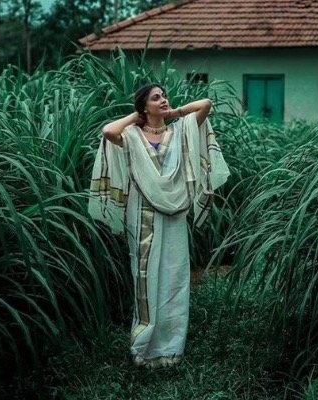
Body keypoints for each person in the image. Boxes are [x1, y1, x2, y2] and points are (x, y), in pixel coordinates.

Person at [88, 83, 230, 369]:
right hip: (141, 215)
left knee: (174, 277)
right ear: (144, 106)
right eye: (156, 98)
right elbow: (108, 132)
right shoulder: (132, 136)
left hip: (174, 215)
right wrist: (136, 117)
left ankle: (171, 349)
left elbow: (205, 104)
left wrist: (173, 112)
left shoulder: (179, 132)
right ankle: (144, 346)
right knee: (145, 276)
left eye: (164, 95)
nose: (164, 99)